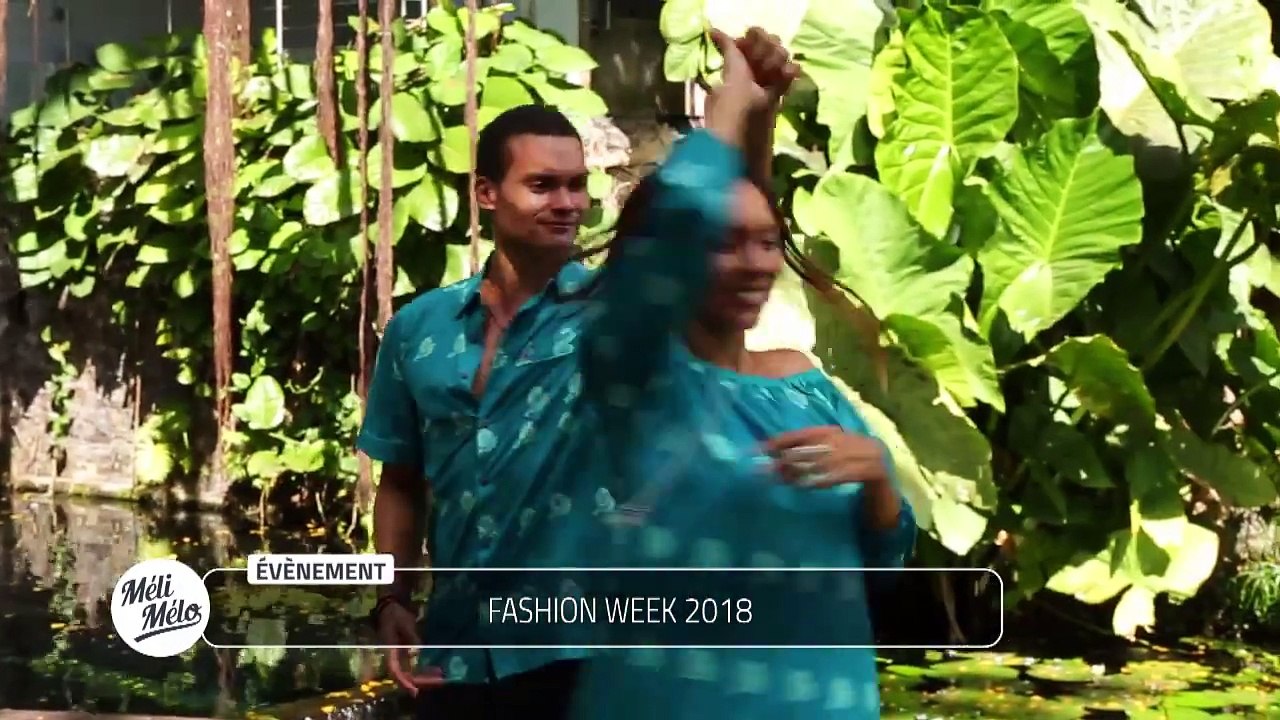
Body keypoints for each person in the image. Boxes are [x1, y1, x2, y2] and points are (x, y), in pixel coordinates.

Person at [356, 29, 798, 720]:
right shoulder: (419, 330)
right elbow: (402, 481)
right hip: (457, 654)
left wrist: (754, 114)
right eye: (542, 185)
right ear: (485, 194)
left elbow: (731, 227)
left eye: (575, 186)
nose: (567, 203)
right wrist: (392, 599)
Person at [566, 30, 917, 719]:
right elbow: (683, 221)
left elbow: (883, 562)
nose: (758, 262)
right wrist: (731, 101)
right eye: (726, 245)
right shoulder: (636, 378)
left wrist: (877, 476)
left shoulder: (801, 382)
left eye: (767, 242)